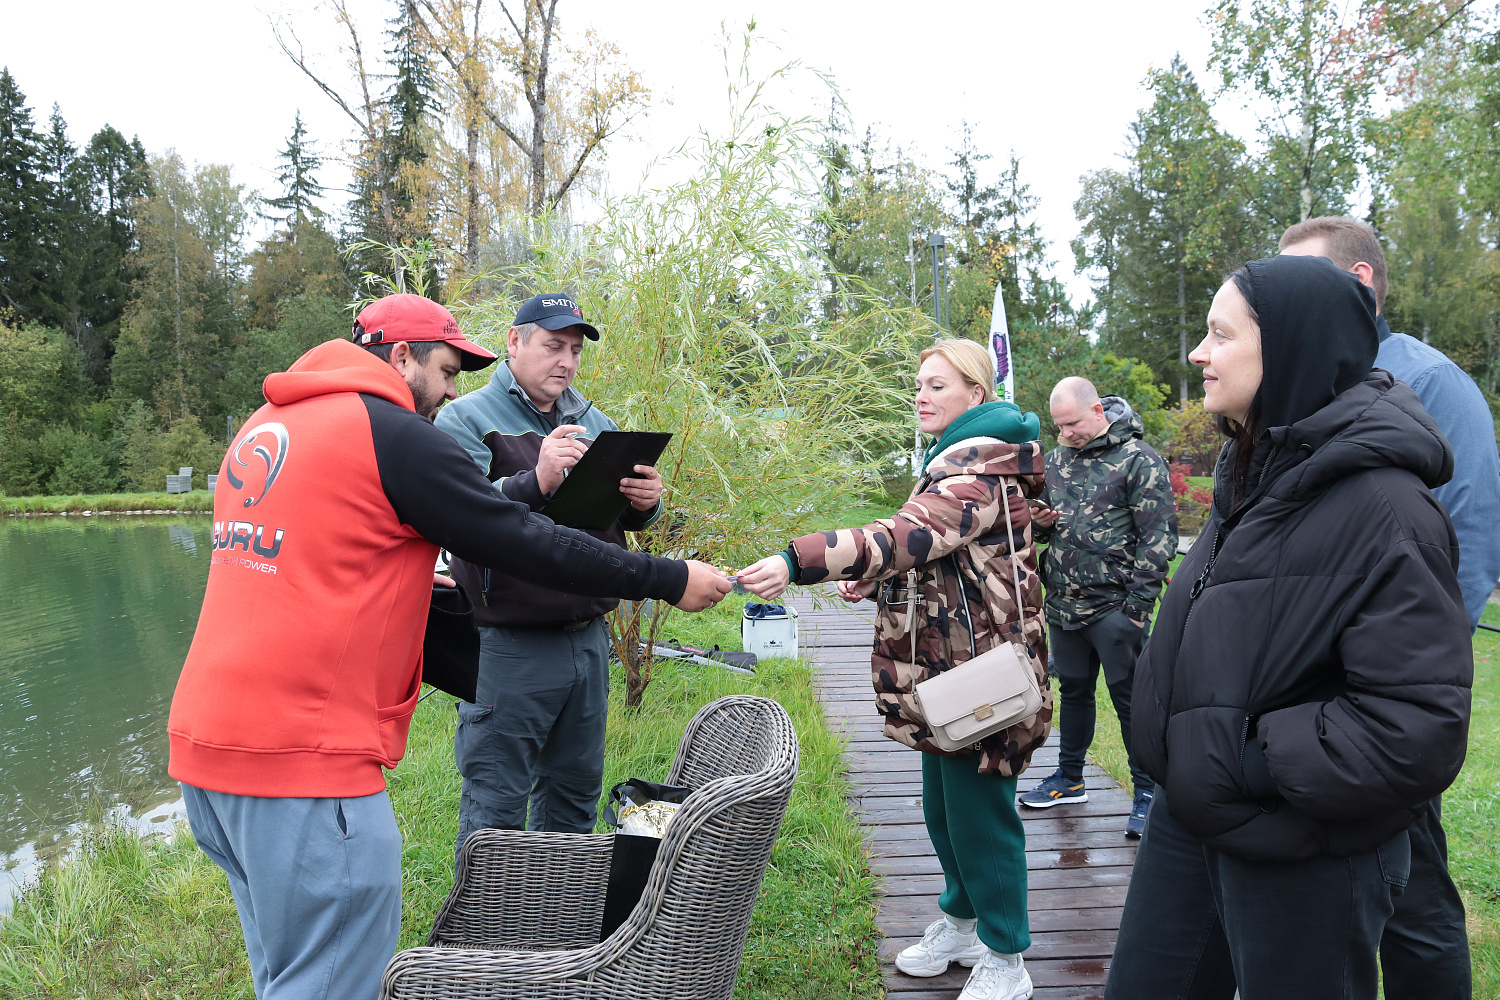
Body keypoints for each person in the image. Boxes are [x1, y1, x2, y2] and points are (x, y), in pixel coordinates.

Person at [167, 293, 731, 1000]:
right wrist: (668, 577)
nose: (450, 391)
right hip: (303, 762)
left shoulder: (265, 426)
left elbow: (334, 568)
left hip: (206, 750)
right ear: (399, 357)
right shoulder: (394, 435)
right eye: (444, 370)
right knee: (336, 981)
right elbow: (521, 539)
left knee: (287, 972)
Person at [1104, 255, 1472, 999]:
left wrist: (1247, 761)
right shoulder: (1258, 471)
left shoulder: (1388, 509)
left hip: (1303, 842)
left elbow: (1417, 723)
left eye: (1220, 334)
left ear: (1292, 346)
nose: (1198, 354)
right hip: (1193, 814)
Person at [738, 338, 1050, 1000]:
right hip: (950, 671)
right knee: (946, 811)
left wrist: (798, 561)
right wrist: (880, 588)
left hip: (983, 678)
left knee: (983, 818)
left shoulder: (976, 476)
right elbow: (943, 564)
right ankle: (962, 924)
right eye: (918, 384)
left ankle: (1006, 957)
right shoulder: (954, 467)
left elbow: (899, 537)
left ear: (976, 395)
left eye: (938, 385)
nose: (921, 395)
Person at [1280, 215, 1498, 999]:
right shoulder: (1318, 381)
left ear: (1359, 283)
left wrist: (1396, 688)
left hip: (1382, 695)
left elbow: (1465, 544)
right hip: (1311, 693)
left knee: (1413, 887)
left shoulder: (1432, 382)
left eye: (1295, 280)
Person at [433, 292, 664, 851]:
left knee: (574, 794)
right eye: (553, 346)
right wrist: (533, 480)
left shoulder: (593, 421)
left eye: (575, 351)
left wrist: (644, 503)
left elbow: (613, 527)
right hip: (506, 644)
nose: (566, 361)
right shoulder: (465, 419)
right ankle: (486, 931)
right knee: (497, 803)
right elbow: (455, 517)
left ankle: (555, 922)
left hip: (588, 642)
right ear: (515, 342)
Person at [1018, 377, 1175, 838]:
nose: (1065, 434)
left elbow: (1159, 537)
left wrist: (1137, 608)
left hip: (1116, 608)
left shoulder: (1139, 460)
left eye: (1072, 425)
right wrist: (1041, 521)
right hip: (1065, 605)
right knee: (1074, 693)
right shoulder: (1059, 460)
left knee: (1131, 702)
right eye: (1059, 427)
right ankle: (1070, 778)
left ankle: (1147, 792)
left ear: (1098, 411)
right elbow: (1046, 531)